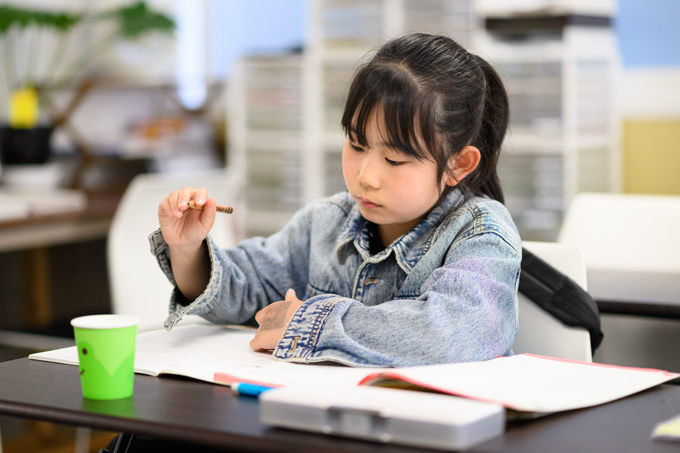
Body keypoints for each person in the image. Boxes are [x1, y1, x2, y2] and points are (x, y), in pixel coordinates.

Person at [151, 33, 521, 368]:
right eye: (356, 145)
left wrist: (306, 323)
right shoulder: (325, 222)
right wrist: (187, 248)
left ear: (458, 164)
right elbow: (245, 288)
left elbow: (455, 331)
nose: (366, 176)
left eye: (394, 160)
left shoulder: (480, 232)